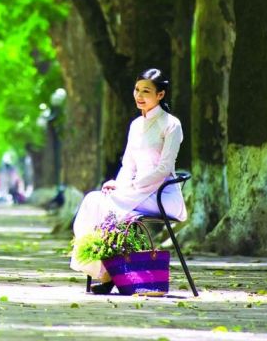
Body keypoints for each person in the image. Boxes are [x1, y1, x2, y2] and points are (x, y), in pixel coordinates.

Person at [70, 68, 187, 294]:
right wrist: (118, 183)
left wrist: (130, 187)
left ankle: (111, 275)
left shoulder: (171, 125)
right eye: (136, 90)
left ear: (160, 95)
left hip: (161, 194)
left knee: (110, 208)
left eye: (146, 91)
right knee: (94, 200)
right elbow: (129, 165)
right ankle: (105, 271)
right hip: (135, 191)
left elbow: (163, 169)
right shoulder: (136, 125)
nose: (139, 96)